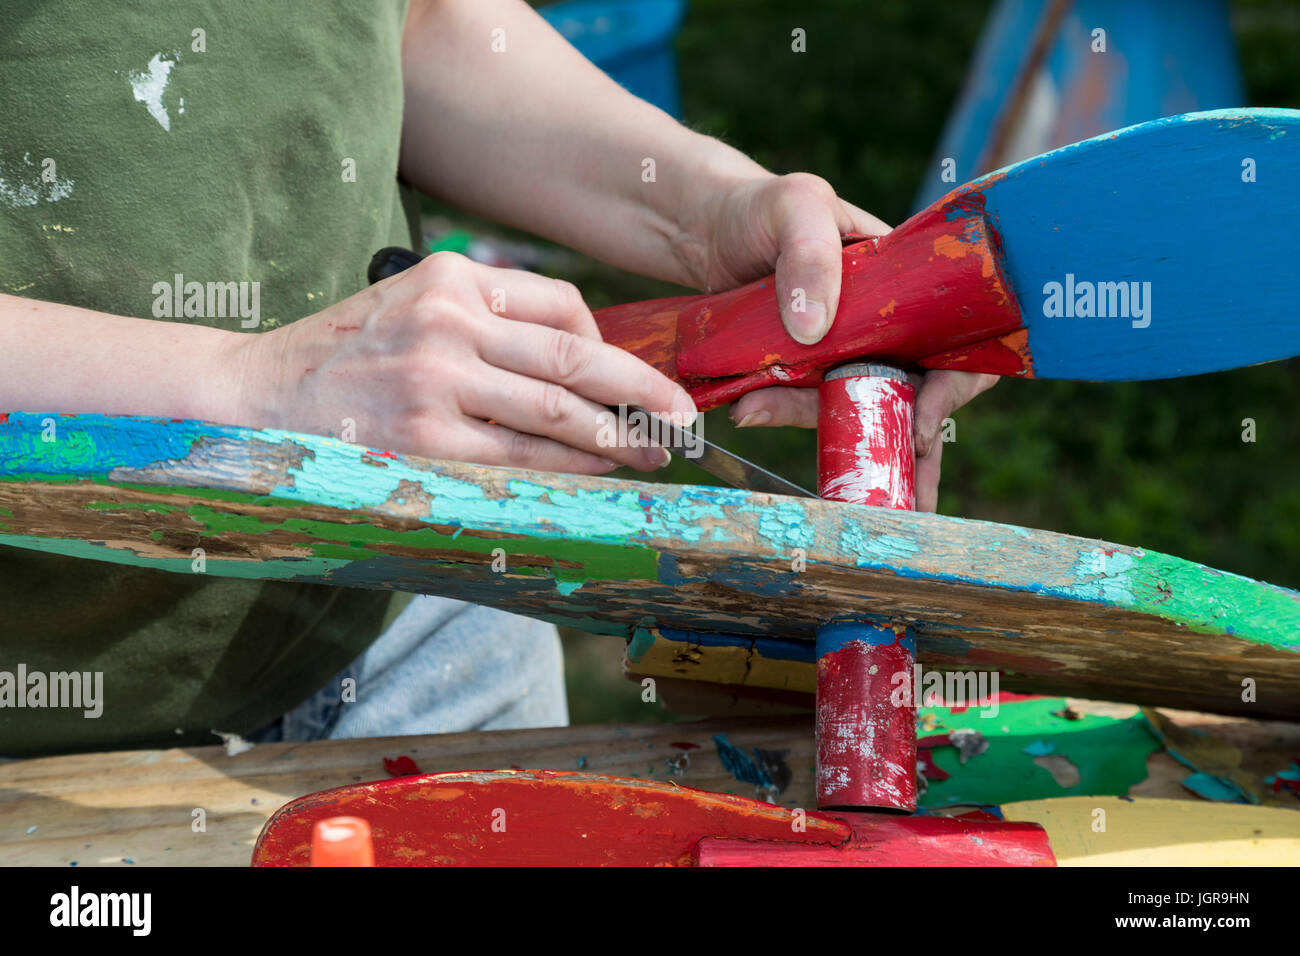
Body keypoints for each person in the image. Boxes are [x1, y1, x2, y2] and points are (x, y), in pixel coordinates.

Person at [0, 0, 995, 756]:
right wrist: (257, 384)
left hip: (420, 600)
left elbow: (413, 18)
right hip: (53, 732)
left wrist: (704, 205)